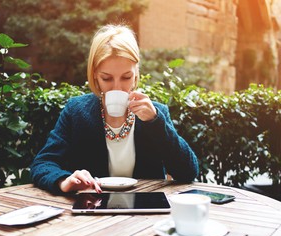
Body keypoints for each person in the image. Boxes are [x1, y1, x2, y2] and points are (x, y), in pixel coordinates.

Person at [30, 24, 199, 194]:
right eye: (107, 78)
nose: (117, 87)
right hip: (92, 210)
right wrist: (63, 180)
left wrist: (155, 122)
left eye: (126, 77)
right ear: (95, 74)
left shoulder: (156, 113)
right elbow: (43, 163)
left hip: (146, 210)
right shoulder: (76, 111)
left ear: (136, 73)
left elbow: (188, 172)